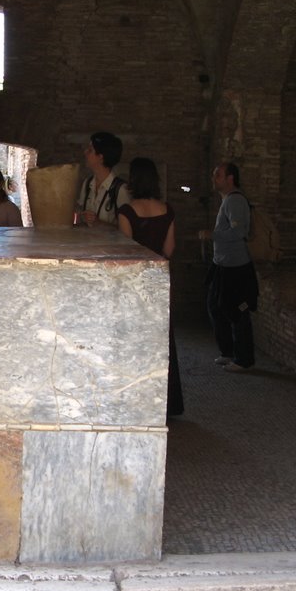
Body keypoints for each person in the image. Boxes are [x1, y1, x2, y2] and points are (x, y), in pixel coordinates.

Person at [117, 157, 183, 416]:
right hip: (160, 280)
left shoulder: (127, 211)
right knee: (163, 341)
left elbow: (126, 253)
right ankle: (168, 403)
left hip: (136, 283)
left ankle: (137, 401)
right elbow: (169, 249)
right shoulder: (167, 210)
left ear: (133, 180)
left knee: (134, 339)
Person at [202, 161, 258, 372]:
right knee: (215, 307)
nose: (214, 178)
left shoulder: (235, 201)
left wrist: (212, 235)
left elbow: (239, 233)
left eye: (218, 175)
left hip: (236, 268)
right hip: (222, 265)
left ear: (230, 178)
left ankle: (243, 359)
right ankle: (228, 352)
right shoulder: (226, 200)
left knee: (237, 312)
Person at [75, 131, 130, 227]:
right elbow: (76, 218)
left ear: (100, 157)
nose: (85, 152)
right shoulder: (87, 184)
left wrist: (99, 223)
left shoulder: (121, 189)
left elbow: (127, 231)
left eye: (90, 150)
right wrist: (81, 218)